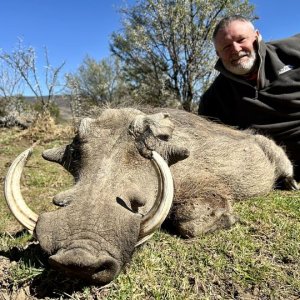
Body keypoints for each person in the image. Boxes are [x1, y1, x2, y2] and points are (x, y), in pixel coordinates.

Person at [198, 15, 300, 180]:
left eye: (241, 40)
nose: (236, 49)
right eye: (226, 47)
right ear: (218, 53)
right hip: (272, 171)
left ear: (257, 36)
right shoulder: (213, 99)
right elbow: (211, 147)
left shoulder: (293, 49)